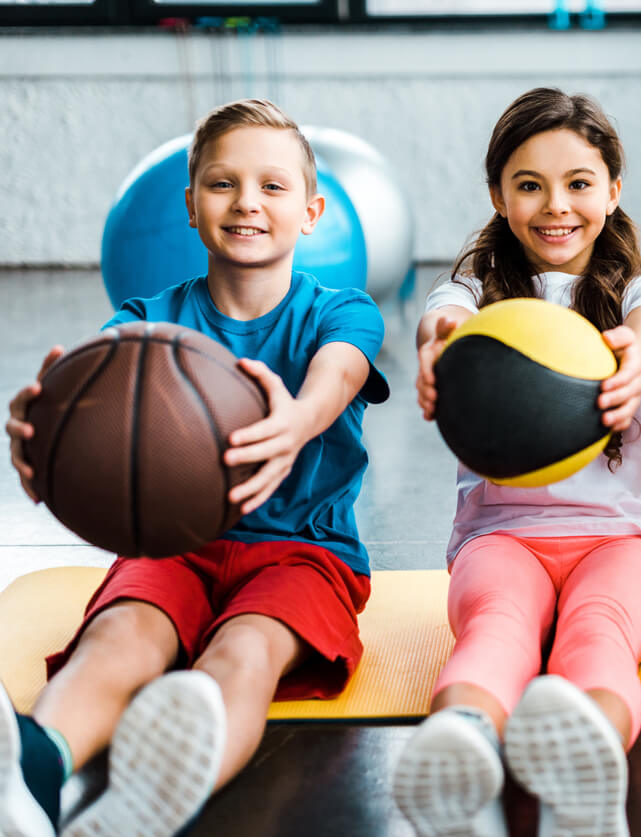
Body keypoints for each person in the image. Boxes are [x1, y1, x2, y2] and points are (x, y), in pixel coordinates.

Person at [1, 98, 389, 837]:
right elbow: (84, 423)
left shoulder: (344, 311)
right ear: (188, 204)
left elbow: (338, 375)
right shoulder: (141, 330)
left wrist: (296, 421)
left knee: (246, 650)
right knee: (120, 636)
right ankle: (32, 777)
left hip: (304, 556)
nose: (247, 201)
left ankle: (160, 793)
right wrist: (43, 446)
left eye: (273, 187)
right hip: (172, 544)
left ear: (311, 212)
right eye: (223, 183)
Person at [393, 87, 641, 837]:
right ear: (497, 195)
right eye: (529, 185)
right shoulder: (472, 292)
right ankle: (459, 756)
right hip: (504, 536)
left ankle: (586, 771)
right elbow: (444, 315)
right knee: (496, 628)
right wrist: (441, 343)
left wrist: (639, 348)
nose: (556, 205)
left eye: (580, 184)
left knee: (599, 631)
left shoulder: (638, 293)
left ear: (614, 189)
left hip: (626, 541)